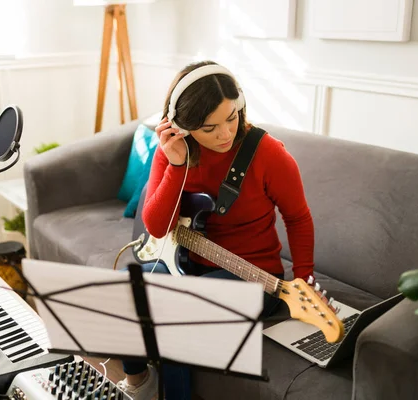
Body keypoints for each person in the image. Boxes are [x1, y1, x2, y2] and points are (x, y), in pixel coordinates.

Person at [116, 60, 318, 400]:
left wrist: (304, 280)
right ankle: (139, 382)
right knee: (124, 287)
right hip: (188, 264)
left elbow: (298, 219)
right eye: (209, 128)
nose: (225, 134)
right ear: (182, 125)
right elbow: (156, 225)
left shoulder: (269, 154)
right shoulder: (171, 151)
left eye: (231, 118)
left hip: (254, 277)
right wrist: (177, 164)